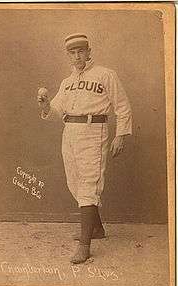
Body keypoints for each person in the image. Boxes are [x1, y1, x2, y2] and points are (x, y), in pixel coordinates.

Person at [37, 33, 132, 264]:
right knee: (75, 182)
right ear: (68, 56)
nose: (78, 56)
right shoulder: (67, 82)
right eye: (73, 52)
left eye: (81, 51)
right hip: (70, 131)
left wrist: (121, 135)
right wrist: (46, 104)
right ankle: (96, 230)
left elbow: (122, 106)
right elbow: (56, 111)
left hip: (93, 129)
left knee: (89, 183)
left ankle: (84, 245)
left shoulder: (105, 75)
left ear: (89, 52)